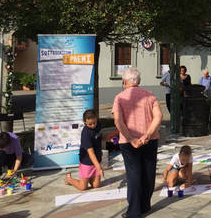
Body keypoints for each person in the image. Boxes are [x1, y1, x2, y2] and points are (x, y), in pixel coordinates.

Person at [113, 67, 162, 218]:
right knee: (148, 172)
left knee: (133, 174)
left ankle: (134, 211)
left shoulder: (119, 98)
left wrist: (131, 138)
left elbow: (118, 121)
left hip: (129, 142)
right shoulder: (149, 95)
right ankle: (145, 205)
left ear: (124, 81)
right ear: (139, 81)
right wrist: (147, 135)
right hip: (150, 140)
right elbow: (158, 116)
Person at [64, 109, 103, 191]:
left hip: (97, 159)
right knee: (83, 187)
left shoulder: (98, 125)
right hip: (87, 161)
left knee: (96, 185)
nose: (93, 125)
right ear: (84, 121)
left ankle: (88, 178)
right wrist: (99, 168)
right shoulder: (85, 133)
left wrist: (110, 139)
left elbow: (100, 137)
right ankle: (69, 179)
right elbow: (90, 153)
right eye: (90, 124)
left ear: (96, 119)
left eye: (94, 123)